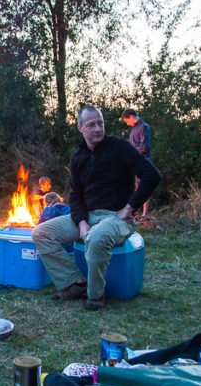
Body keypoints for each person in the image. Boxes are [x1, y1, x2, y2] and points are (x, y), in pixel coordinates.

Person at [32, 106, 161, 311]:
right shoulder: (78, 157)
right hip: (88, 216)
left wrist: (130, 207)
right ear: (80, 127)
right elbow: (75, 196)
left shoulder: (121, 147)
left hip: (118, 218)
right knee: (41, 233)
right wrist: (81, 222)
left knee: (97, 237)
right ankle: (75, 284)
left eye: (100, 123)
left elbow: (152, 175)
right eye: (91, 124)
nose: (97, 128)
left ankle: (96, 295)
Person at [121, 108, 153, 217]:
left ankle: (144, 215)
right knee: (134, 187)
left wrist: (131, 151)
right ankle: (134, 212)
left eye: (127, 121)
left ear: (131, 117)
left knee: (143, 188)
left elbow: (144, 147)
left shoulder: (144, 127)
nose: (128, 123)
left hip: (143, 162)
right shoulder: (133, 129)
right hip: (133, 162)